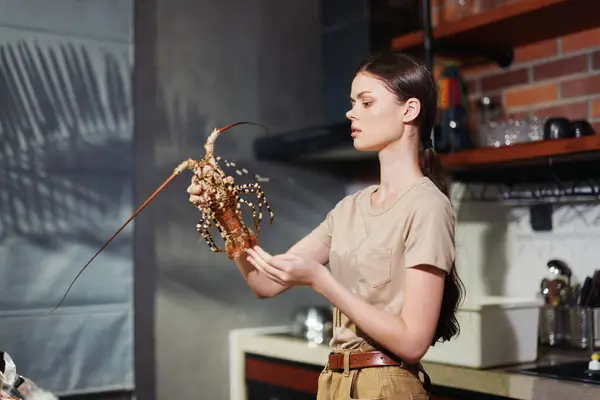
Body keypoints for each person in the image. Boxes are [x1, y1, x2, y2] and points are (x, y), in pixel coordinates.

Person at [188, 51, 464, 399]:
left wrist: (322, 281)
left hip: (386, 386)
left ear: (409, 110)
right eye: (352, 103)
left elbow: (412, 342)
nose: (351, 113)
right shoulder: (349, 209)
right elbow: (265, 282)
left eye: (366, 102)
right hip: (333, 383)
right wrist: (223, 213)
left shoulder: (427, 205)